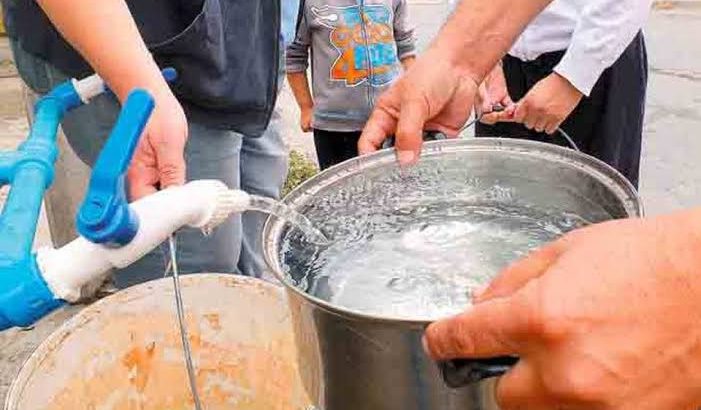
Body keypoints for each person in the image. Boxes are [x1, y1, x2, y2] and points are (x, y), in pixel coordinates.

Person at [358, 0, 701, 408]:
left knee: (593, 252)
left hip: (592, 57)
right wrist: (469, 61)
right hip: (507, 50)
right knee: (499, 226)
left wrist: (575, 76)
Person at [3, 0, 287, 287]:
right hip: (139, 56)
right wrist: (141, 89)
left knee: (257, 246)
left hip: (241, 43)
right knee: (190, 273)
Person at [475, 0, 650, 187]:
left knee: (596, 201)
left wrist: (574, 77)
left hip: (596, 52)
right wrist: (478, 53)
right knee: (499, 194)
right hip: (499, 53)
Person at [286, 0, 416, 170]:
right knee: (341, 193)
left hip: (388, 121)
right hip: (334, 126)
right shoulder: (308, 4)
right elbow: (293, 56)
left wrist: (414, 99)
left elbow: (406, 46)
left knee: (390, 189)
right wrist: (306, 108)